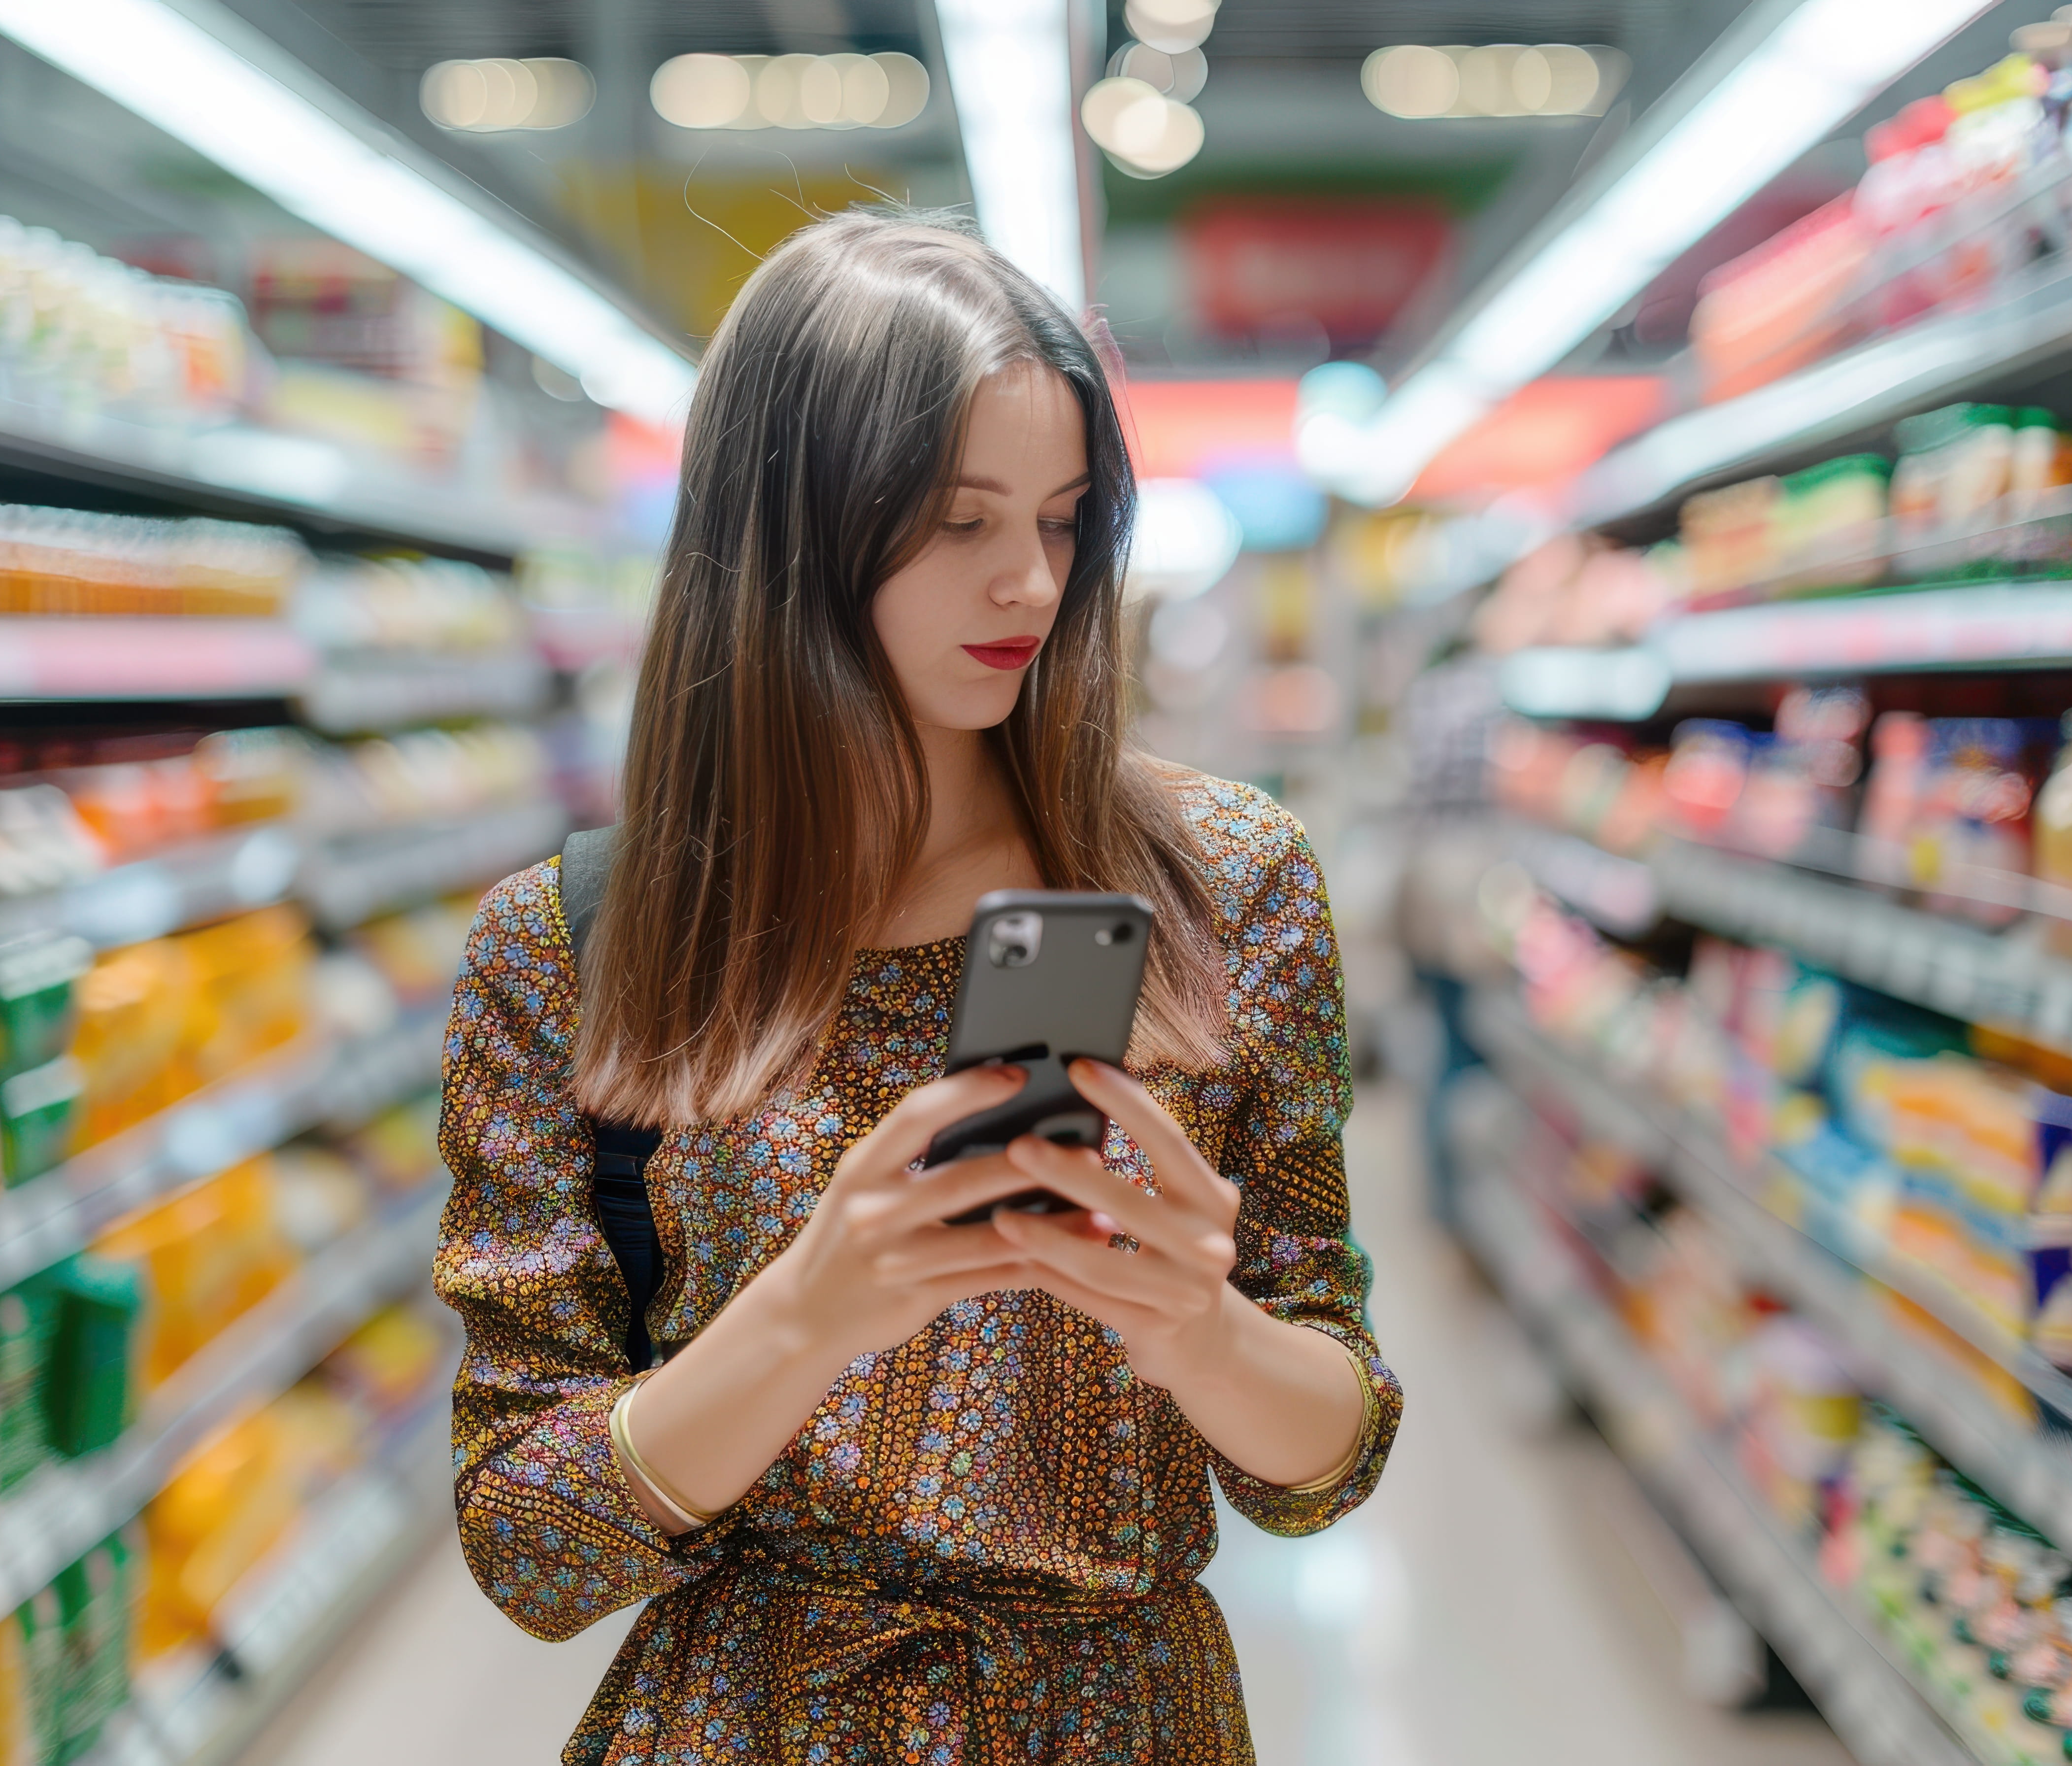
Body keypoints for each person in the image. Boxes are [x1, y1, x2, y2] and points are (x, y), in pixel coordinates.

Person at [435, 208, 1403, 1766]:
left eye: (1068, 518)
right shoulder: (581, 945)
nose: (1031, 580)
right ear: (789, 530)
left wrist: (1195, 1328)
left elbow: (1329, 1460)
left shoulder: (1221, 886)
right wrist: (812, 1311)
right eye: (960, 521)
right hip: (747, 1723)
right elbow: (526, 1546)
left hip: (1124, 1723)